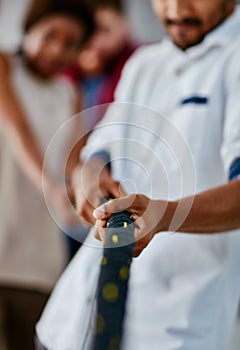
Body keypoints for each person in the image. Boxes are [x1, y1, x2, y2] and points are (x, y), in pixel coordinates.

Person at [37, 0, 240, 349]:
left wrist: (164, 216)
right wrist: (90, 181)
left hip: (174, 328)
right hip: (69, 322)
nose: (176, 8)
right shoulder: (144, 64)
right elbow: (99, 151)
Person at [0, 1, 93, 349]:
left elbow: (74, 160)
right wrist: (50, 188)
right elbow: (17, 131)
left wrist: (91, 186)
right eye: (49, 35)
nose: (57, 50)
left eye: (70, 43)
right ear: (29, 30)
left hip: (39, 253)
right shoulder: (4, 66)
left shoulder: (69, 93)